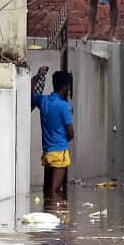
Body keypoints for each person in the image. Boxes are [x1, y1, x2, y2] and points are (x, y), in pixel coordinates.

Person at [32, 69, 75, 199]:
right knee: (54, 191)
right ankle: (53, 215)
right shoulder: (64, 106)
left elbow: (29, 94)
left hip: (47, 154)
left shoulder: (43, 101)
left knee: (47, 190)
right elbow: (70, 132)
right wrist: (68, 137)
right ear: (65, 86)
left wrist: (37, 77)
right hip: (59, 153)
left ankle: (47, 214)